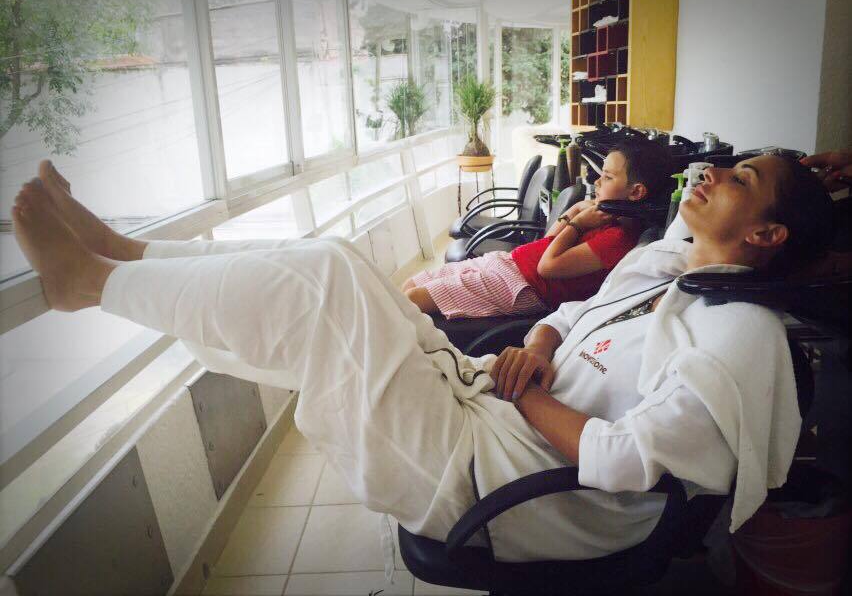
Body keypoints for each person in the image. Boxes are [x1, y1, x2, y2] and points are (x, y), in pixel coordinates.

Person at [11, 153, 833, 562]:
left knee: (326, 282)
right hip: (495, 408)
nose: (711, 173)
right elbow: (571, 310)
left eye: (740, 177)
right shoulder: (666, 264)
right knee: (341, 263)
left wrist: (524, 395)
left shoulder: (743, 333)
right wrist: (536, 344)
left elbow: (622, 461)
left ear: (767, 233)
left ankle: (91, 281)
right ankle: (130, 258)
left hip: (510, 483)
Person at [402, 140, 673, 319]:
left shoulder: (618, 239)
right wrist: (576, 210)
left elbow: (547, 267)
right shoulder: (604, 219)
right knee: (410, 285)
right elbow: (549, 239)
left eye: (608, 177)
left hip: (521, 286)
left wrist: (578, 224)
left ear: (636, 192)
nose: (598, 181)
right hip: (510, 264)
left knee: (413, 299)